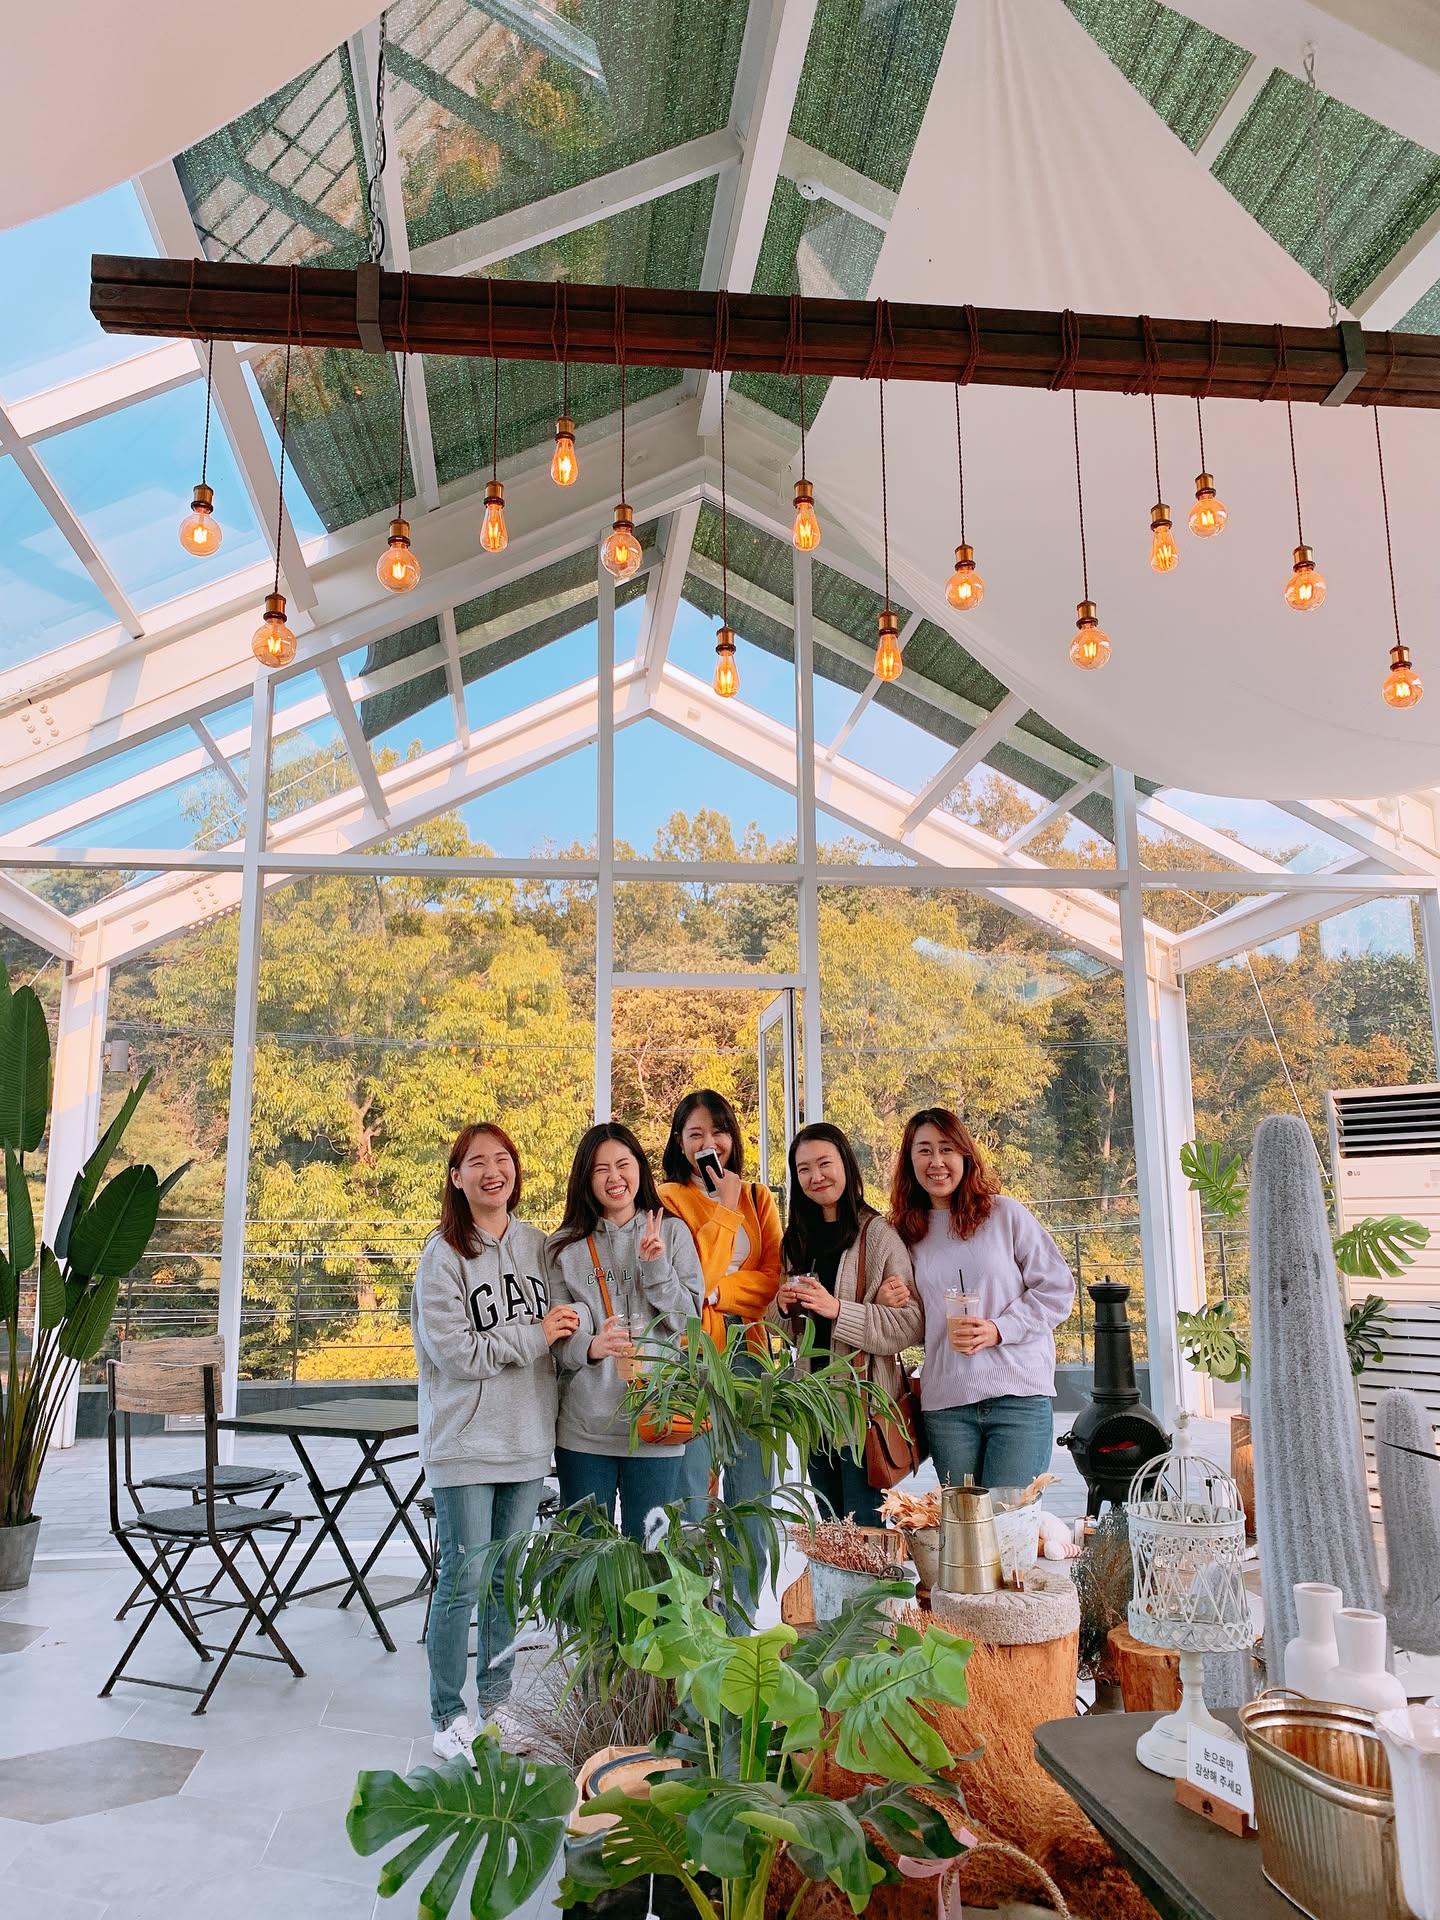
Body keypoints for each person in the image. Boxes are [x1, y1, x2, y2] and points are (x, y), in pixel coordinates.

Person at [411, 1122, 580, 1765]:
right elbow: (456, 1355)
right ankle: (447, 1714)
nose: (492, 1171)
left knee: (506, 1582)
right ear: (456, 1178)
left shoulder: (539, 1246)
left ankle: (499, 1706)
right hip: (464, 1443)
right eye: (476, 1162)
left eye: (502, 1158)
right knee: (462, 1580)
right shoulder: (442, 1256)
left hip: (528, 1438)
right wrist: (534, 1336)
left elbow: (567, 1323)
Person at [890, 1107, 1075, 1491]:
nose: (936, 1162)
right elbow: (913, 1321)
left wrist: (998, 1329)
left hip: (1018, 1398)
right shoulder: (905, 1234)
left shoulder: (1005, 1214)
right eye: (924, 1150)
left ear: (965, 1155)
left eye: (946, 1149)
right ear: (910, 1161)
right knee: (964, 1524)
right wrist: (891, 1299)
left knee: (1009, 1519)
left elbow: (1057, 1290)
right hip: (947, 1405)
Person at [547, 1122, 705, 1537]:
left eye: (623, 1164)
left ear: (639, 1167)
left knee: (652, 1554)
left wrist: (656, 1268)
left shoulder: (672, 1232)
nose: (614, 1177)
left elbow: (690, 1324)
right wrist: (591, 1346)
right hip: (585, 1430)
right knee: (586, 1553)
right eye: (600, 1169)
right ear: (585, 1179)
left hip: (658, 1424)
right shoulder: (563, 1246)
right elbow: (556, 1342)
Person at [769, 1122, 922, 1530]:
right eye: (804, 1169)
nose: (816, 1176)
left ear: (846, 1165)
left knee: (866, 1533)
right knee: (833, 1534)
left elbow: (911, 1324)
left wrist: (838, 1309)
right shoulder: (796, 1239)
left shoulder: (878, 1235)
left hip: (862, 1412)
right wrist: (781, 1307)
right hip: (814, 1410)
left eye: (825, 1164)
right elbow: (784, 1334)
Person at [658, 1089, 783, 1538]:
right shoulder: (668, 1199)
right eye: (696, 1134)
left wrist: (717, 1293)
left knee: (753, 1497)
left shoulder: (758, 1197)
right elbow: (690, 1281)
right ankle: (693, 1583)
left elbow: (773, 1280)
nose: (709, 1143)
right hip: (693, 1356)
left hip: (751, 1354)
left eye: (719, 1131)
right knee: (692, 1491)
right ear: (679, 1143)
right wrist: (725, 1209)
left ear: (733, 1137)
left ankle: (745, 1588)